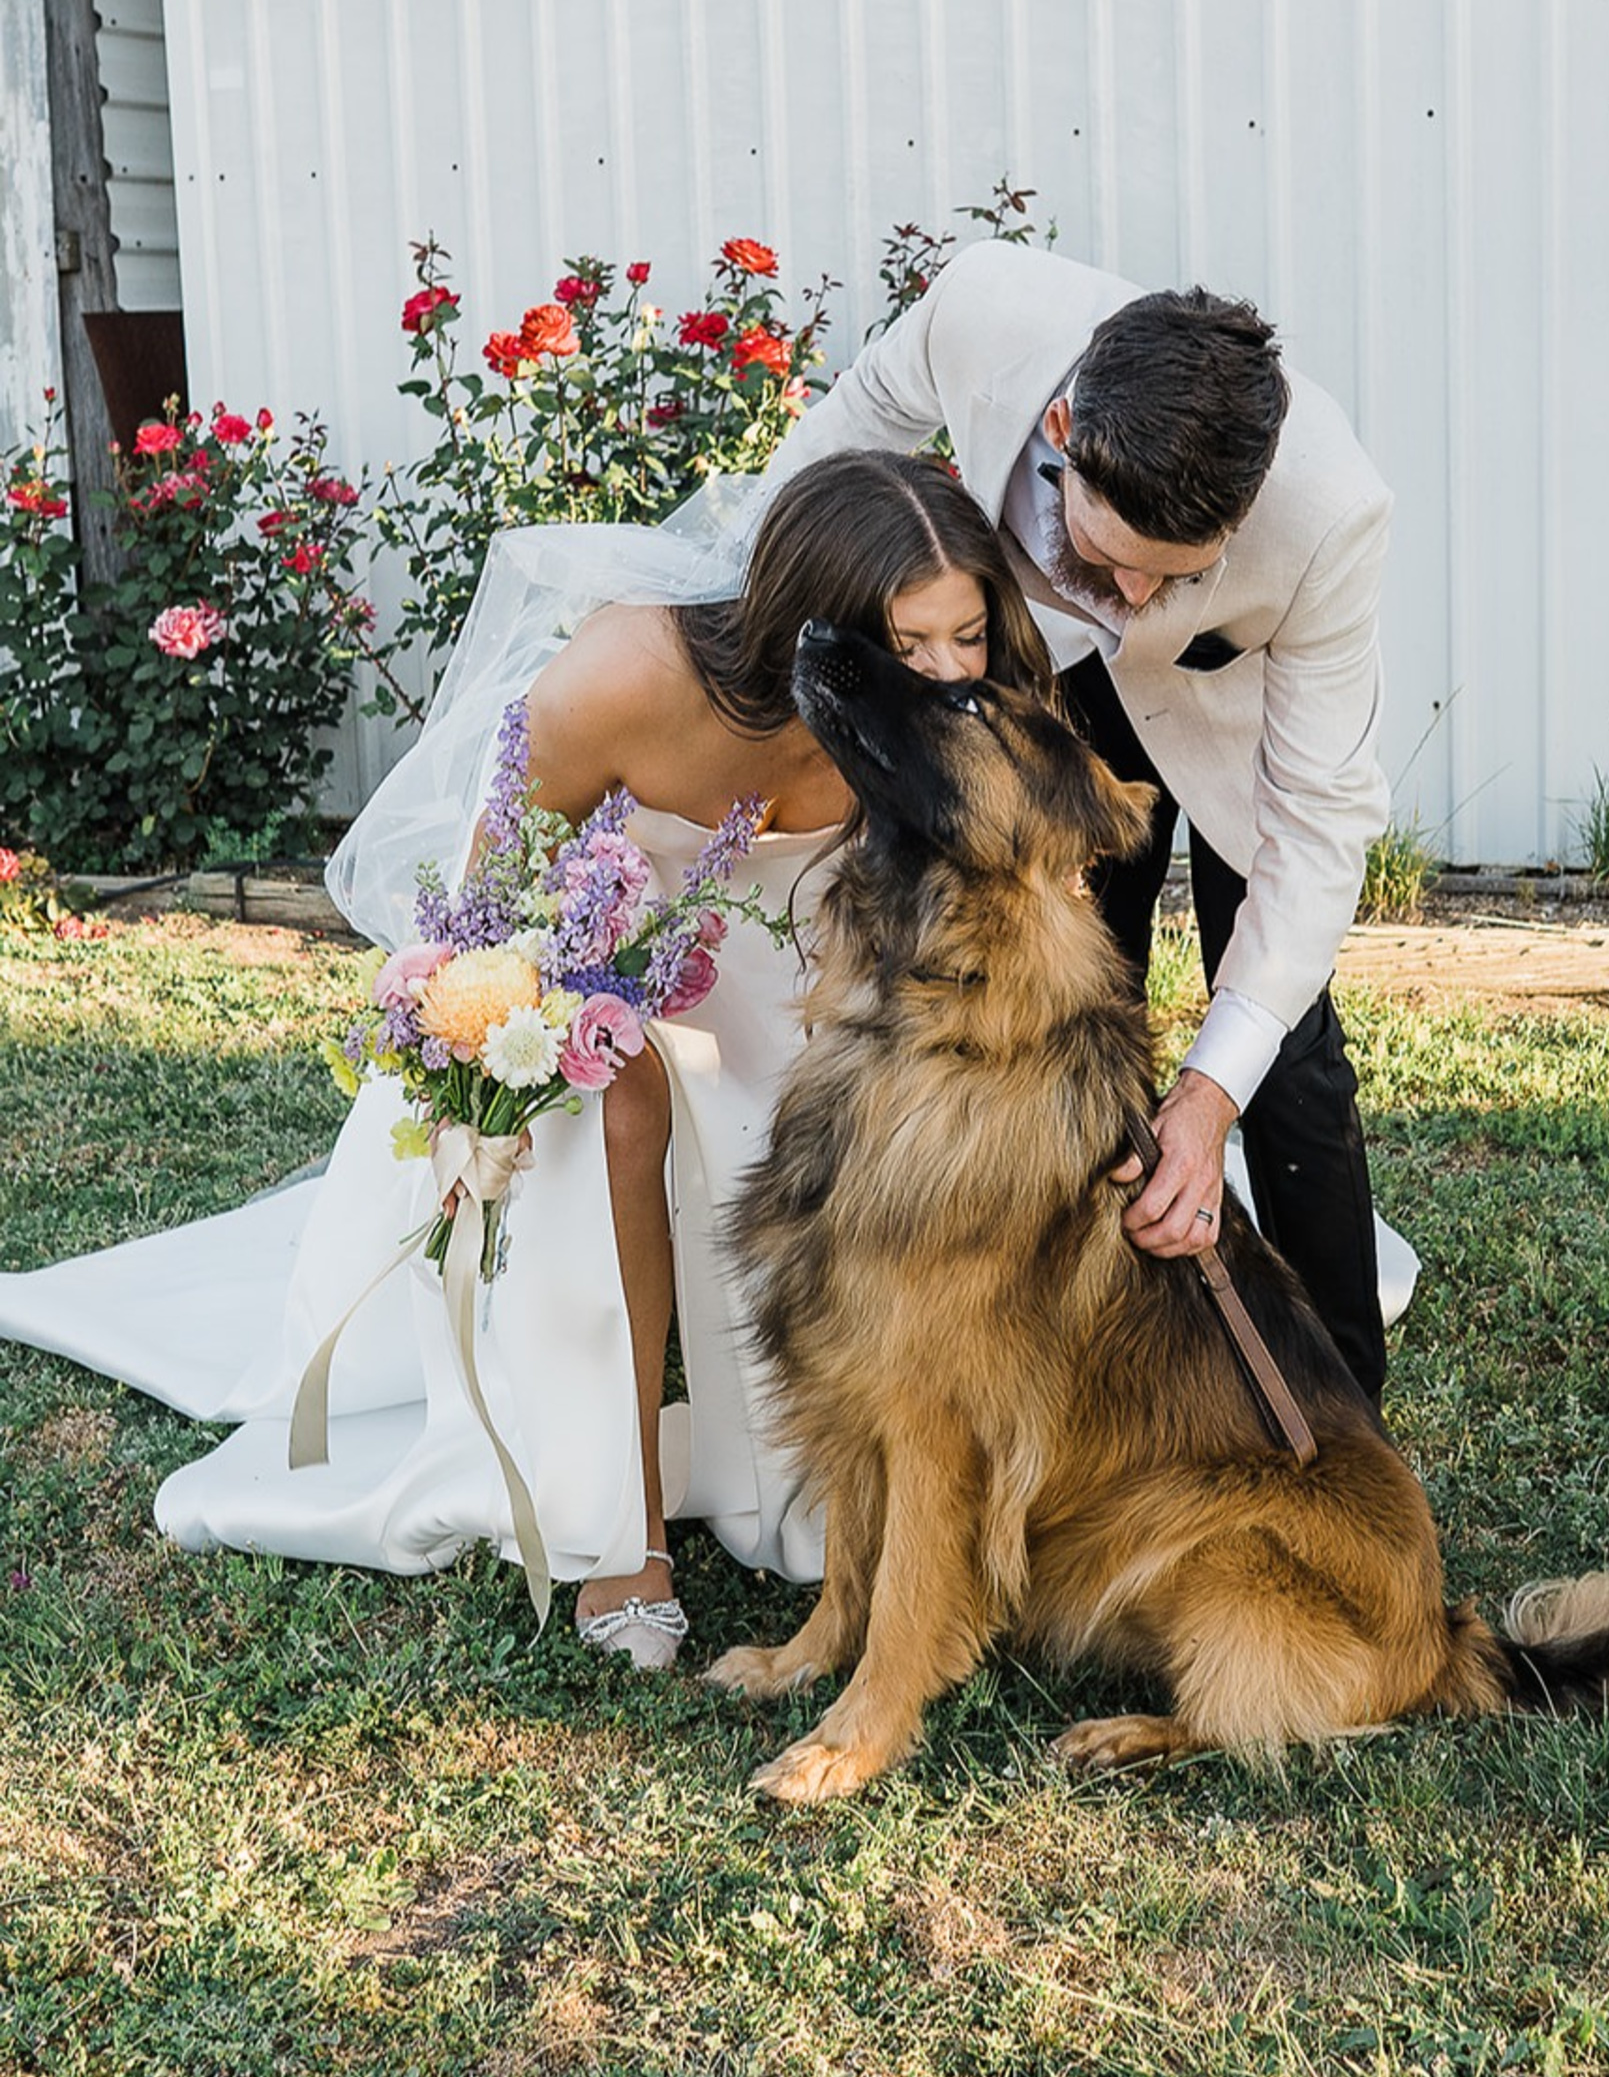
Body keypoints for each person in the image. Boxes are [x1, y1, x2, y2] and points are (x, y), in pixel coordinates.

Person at [0, 452, 1051, 1666]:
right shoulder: (631, 677)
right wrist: (528, 1024)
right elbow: (490, 900)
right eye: (902, 644)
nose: (941, 672)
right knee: (607, 1100)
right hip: (627, 967)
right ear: (806, 628)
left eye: (962, 634)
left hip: (830, 1000)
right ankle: (618, 1532)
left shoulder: (982, 709)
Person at [763, 242, 1407, 1410]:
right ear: (1059, 427)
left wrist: (1206, 1099)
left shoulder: (1332, 517)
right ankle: (1045, 1336)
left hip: (1230, 743)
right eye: (1116, 562)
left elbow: (1319, 827)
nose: (1140, 605)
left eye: (1179, 578)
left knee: (1289, 1064)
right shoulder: (984, 312)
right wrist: (758, 593)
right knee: (1064, 1031)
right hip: (1037, 709)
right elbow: (846, 431)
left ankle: (1344, 1402)